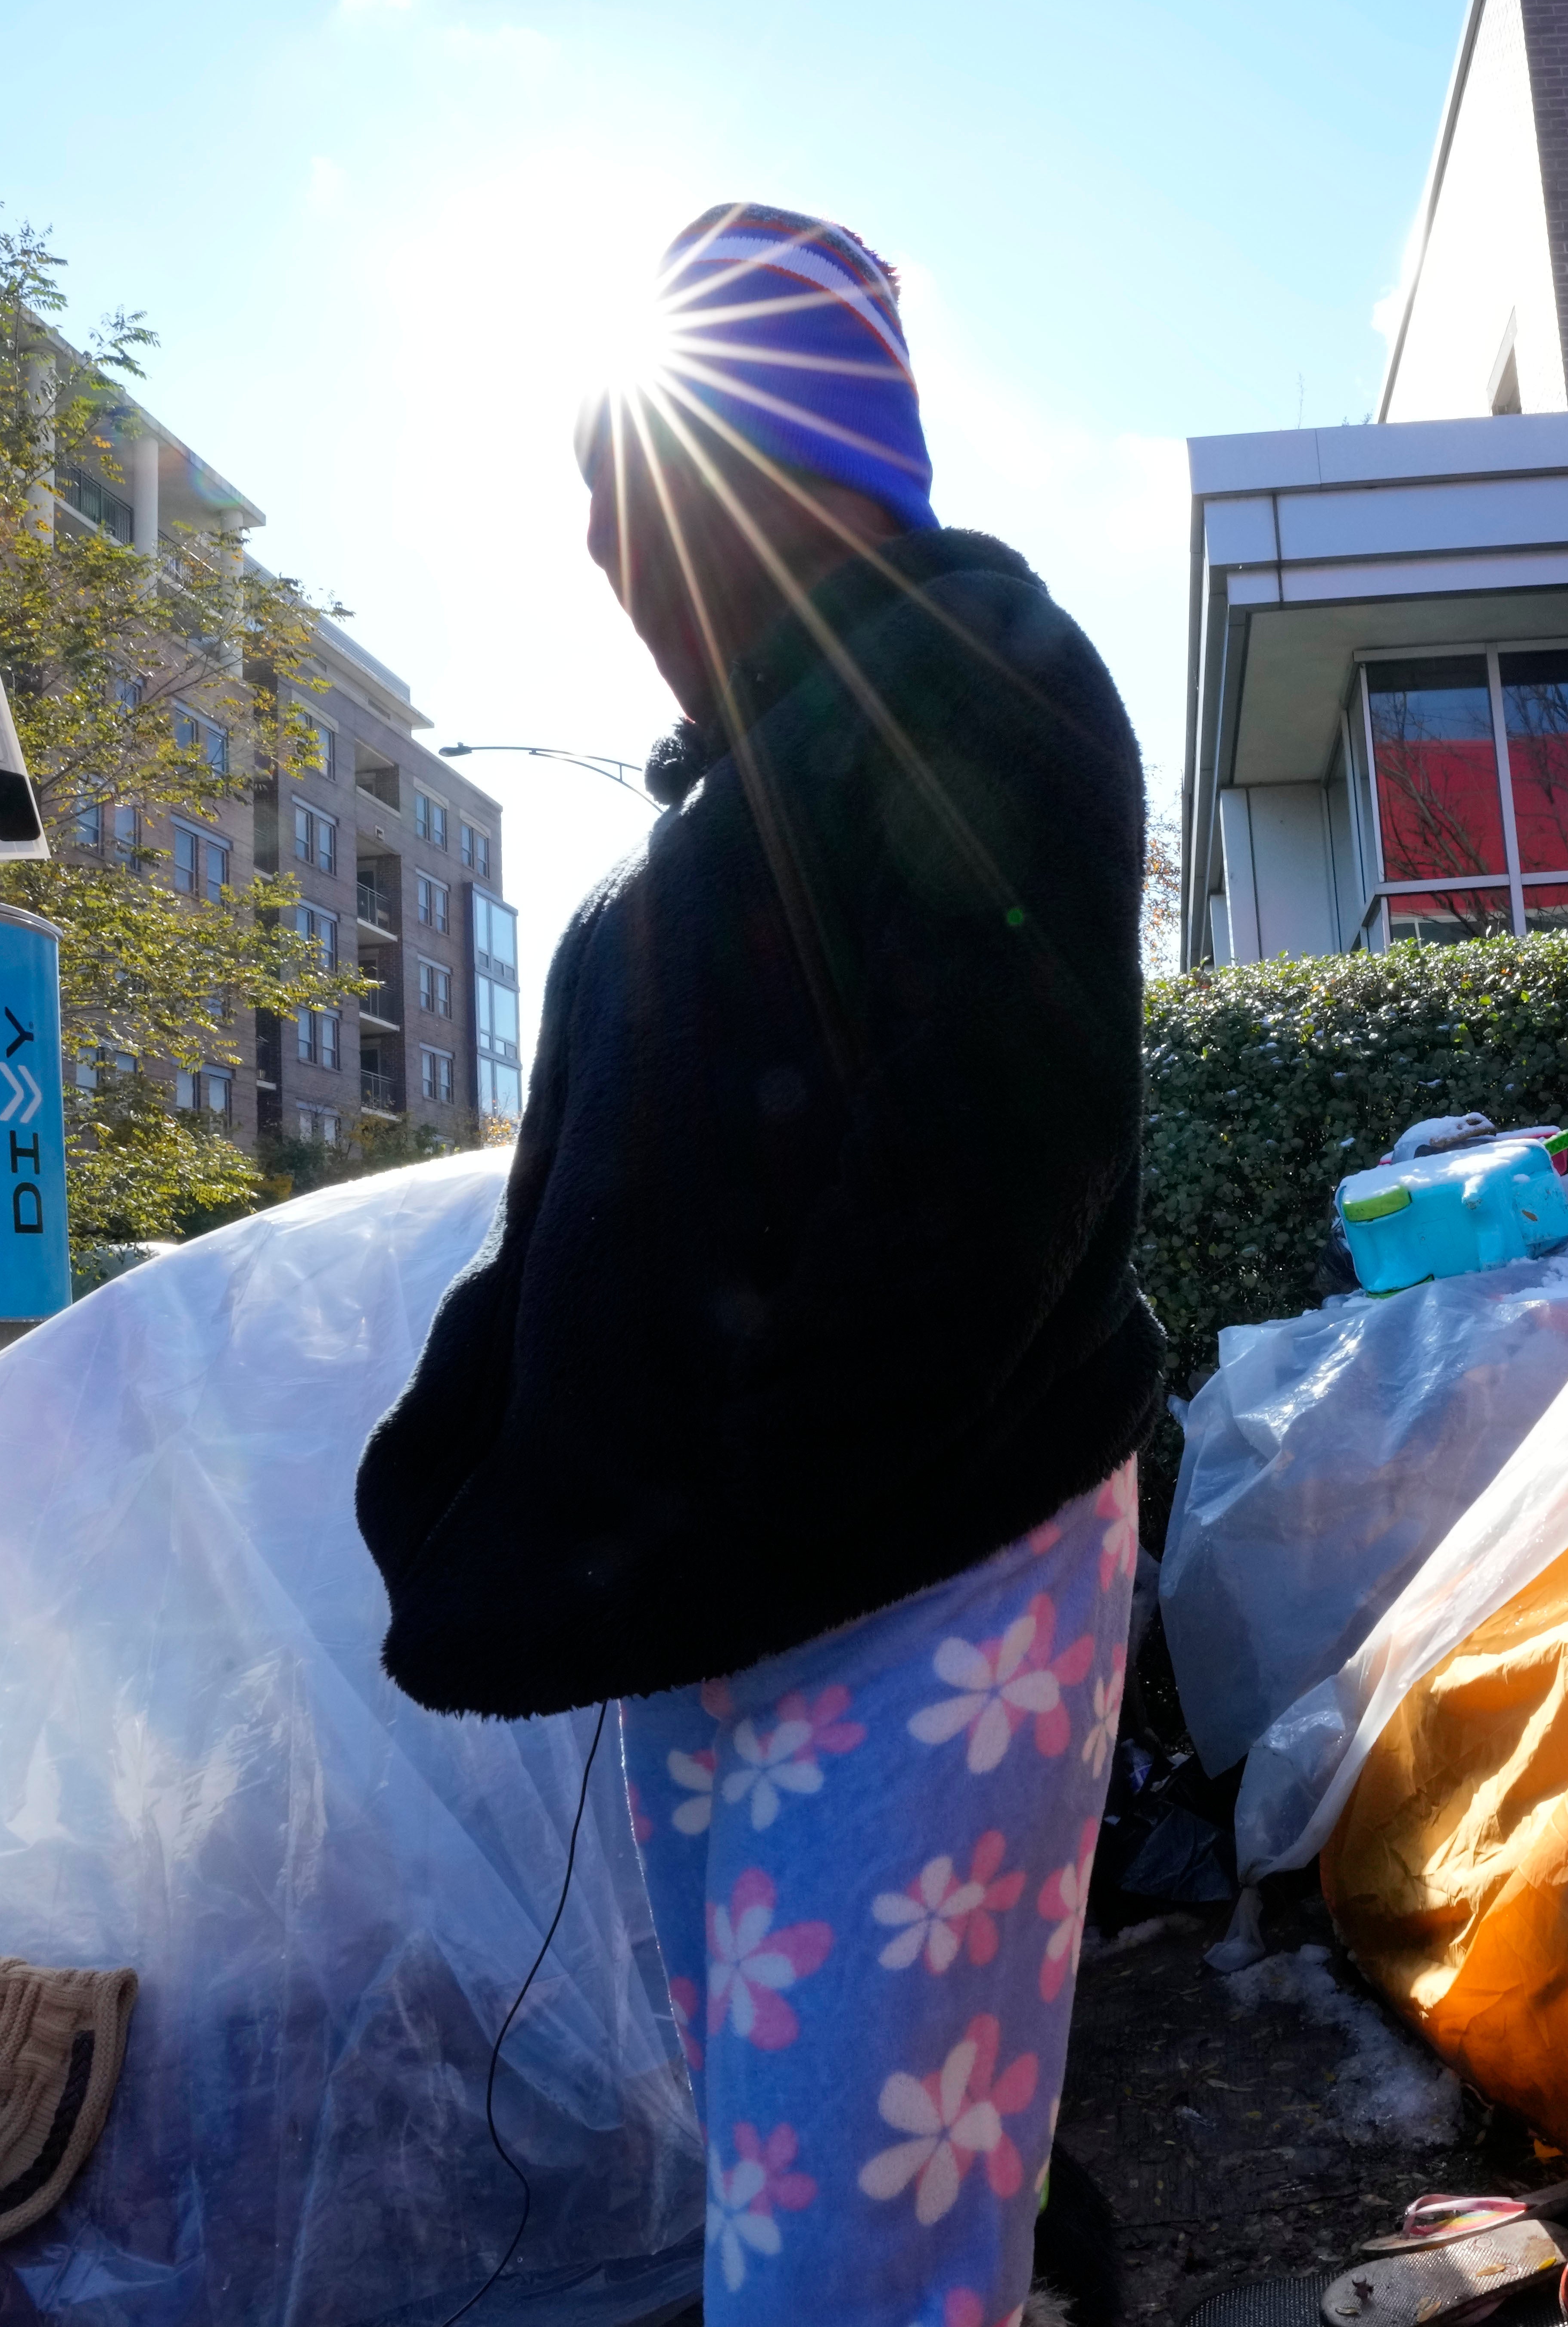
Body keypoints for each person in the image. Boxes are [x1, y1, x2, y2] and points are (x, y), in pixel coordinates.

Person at [355, 205, 1162, 2326]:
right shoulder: (669, 861)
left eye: (641, 489)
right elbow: (570, 1252)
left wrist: (717, 1505)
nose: (612, 548)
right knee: (821, 2158)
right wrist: (460, 1479)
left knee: (844, 2241)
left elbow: (1002, 1159)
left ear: (790, 470)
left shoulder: (975, 684)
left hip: (927, 1567)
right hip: (743, 1597)